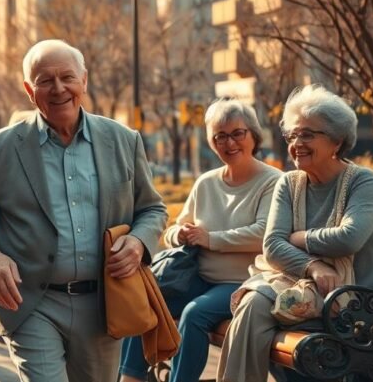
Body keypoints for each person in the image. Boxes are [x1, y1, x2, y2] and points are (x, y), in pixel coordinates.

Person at [0, 39, 168, 382]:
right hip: (31, 302)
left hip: (105, 306)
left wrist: (139, 242)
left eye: (67, 77)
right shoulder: (0, 148)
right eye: (45, 80)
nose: (59, 88)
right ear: (28, 90)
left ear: (84, 80)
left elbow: (152, 209)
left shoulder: (123, 140)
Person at [218, 85, 373, 381]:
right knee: (251, 303)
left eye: (308, 134)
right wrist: (313, 265)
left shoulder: (362, 181)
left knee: (270, 324)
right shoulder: (290, 183)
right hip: (306, 291)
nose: (297, 143)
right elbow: (272, 245)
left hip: (360, 303)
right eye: (293, 135)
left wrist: (299, 238)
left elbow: (349, 238)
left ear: (337, 141)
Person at [119, 98, 282, 382]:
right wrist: (179, 234)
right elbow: (175, 229)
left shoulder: (274, 181)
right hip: (197, 277)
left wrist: (211, 238)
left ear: (253, 135)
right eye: (220, 136)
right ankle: (130, 378)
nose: (229, 143)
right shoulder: (206, 182)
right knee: (146, 299)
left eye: (237, 133)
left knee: (194, 314)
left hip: (244, 283)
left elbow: (264, 233)